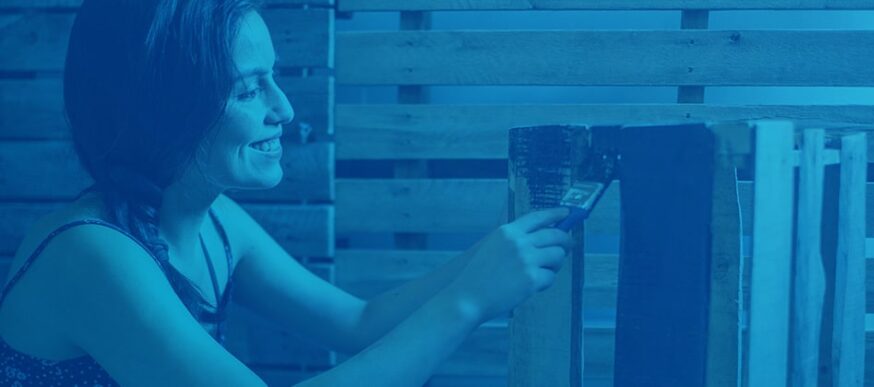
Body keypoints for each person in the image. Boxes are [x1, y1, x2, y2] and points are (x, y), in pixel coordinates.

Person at [0, 1, 573, 386]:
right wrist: (468, 301)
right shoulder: (90, 253)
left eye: (275, 78)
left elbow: (358, 322)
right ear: (166, 107)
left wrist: (493, 255)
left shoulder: (217, 223)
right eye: (250, 89)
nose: (285, 109)